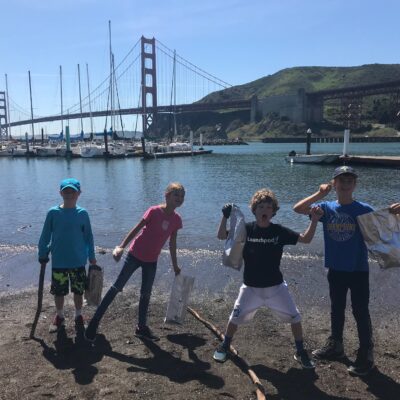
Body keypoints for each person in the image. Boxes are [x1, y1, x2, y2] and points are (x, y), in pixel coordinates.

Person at [293, 166, 400, 376]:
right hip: (335, 268)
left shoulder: (364, 209)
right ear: (334, 184)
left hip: (358, 269)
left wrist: (395, 213)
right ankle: (336, 346)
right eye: (342, 180)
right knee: (336, 308)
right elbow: (298, 208)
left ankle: (366, 354)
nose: (346, 184)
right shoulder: (326, 207)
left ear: (355, 185)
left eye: (350, 180)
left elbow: (386, 230)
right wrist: (320, 193)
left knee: (360, 311)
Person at [213, 188, 323, 369]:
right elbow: (221, 235)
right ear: (254, 210)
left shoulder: (279, 231)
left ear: (274, 211)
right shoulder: (246, 229)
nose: (265, 210)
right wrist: (225, 216)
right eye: (261, 206)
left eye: (269, 207)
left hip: (276, 288)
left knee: (295, 318)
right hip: (251, 288)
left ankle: (300, 351)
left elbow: (306, 239)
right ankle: (225, 345)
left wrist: (315, 221)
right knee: (234, 318)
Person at [84, 182, 185, 342]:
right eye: (176, 195)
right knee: (117, 287)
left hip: (152, 260)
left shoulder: (177, 220)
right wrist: (121, 246)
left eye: (182, 196)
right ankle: (94, 323)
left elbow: (173, 244)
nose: (179, 198)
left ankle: (141, 327)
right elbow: (137, 228)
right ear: (167, 196)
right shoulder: (154, 211)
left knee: (146, 294)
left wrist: (175, 266)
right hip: (135, 255)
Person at [38, 178, 97, 332]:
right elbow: (45, 236)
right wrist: (42, 253)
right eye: (66, 191)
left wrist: (91, 255)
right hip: (59, 261)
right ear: (60, 193)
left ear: (79, 193)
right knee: (59, 292)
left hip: (78, 260)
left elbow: (88, 237)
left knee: (78, 291)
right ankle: (60, 316)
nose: (69, 194)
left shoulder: (82, 213)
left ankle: (78, 316)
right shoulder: (53, 213)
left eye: (72, 191)